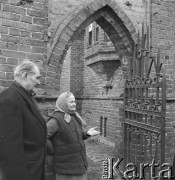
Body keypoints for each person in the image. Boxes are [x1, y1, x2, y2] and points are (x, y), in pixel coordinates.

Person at [0, 60, 46, 180]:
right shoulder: (9, 99)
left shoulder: (24, 97)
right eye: (37, 77)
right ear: (25, 75)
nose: (39, 82)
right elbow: (10, 151)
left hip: (34, 170)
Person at [47, 91, 100, 180]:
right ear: (63, 103)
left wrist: (86, 133)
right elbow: (43, 137)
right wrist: (53, 150)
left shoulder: (74, 116)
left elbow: (76, 134)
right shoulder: (56, 120)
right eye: (71, 102)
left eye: (74, 101)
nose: (74, 104)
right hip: (66, 169)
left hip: (79, 164)